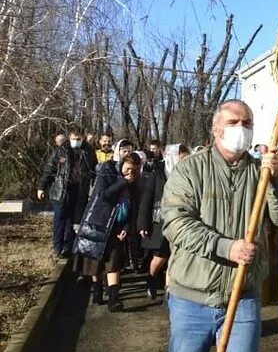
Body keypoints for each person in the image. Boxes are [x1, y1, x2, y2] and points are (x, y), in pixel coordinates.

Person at [161, 100, 278, 352]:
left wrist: (275, 182)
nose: (241, 128)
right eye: (233, 122)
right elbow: (175, 223)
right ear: (216, 128)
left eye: (246, 123)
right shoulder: (190, 170)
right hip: (191, 299)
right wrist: (225, 247)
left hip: (243, 296)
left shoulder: (259, 173)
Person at [72, 148, 143, 311]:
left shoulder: (134, 182)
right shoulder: (107, 172)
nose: (130, 172)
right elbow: (104, 195)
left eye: (134, 170)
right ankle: (97, 290)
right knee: (95, 260)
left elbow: (132, 207)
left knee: (114, 262)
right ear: (122, 163)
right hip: (100, 221)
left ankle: (113, 299)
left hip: (117, 225)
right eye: (128, 168)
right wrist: (123, 181)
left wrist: (126, 226)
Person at [138, 142, 189, 301]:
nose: (183, 160)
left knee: (174, 256)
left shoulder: (188, 173)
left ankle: (169, 290)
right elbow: (147, 198)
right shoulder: (158, 172)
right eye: (181, 157)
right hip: (160, 219)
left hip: (181, 220)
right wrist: (142, 223)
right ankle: (151, 279)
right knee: (160, 256)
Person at [37, 128, 96, 258]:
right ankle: (57, 247)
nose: (76, 141)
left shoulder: (88, 151)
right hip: (61, 189)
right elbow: (49, 169)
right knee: (59, 218)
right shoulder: (61, 151)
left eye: (78, 139)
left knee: (72, 220)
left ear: (83, 138)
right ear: (69, 137)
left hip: (80, 189)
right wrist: (41, 186)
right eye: (74, 138)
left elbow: (94, 169)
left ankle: (68, 247)